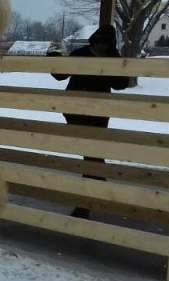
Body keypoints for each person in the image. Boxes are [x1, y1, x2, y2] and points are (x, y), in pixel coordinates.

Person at [51, 25, 129, 219]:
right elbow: (60, 74)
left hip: (98, 113)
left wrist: (115, 67)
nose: (101, 47)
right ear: (94, 41)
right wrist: (53, 58)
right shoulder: (82, 53)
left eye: (105, 44)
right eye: (99, 43)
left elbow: (121, 84)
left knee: (91, 152)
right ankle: (96, 181)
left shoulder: (112, 58)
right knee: (90, 151)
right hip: (76, 111)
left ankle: (88, 196)